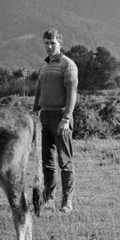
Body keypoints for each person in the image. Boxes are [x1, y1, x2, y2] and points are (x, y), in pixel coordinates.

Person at [33, 28, 78, 213]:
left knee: (64, 161)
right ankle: (49, 198)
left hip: (61, 116)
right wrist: (34, 113)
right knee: (47, 162)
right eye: (46, 43)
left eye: (52, 43)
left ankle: (67, 202)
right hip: (45, 116)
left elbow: (72, 93)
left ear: (60, 43)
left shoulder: (68, 65)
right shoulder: (43, 66)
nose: (49, 47)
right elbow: (38, 90)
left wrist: (66, 118)